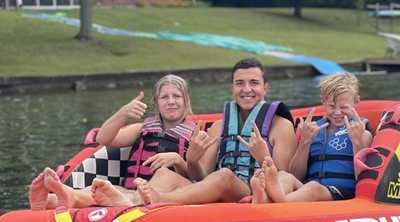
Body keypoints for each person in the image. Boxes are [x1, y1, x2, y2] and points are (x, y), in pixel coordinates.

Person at [99, 57, 298, 207]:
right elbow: (200, 177)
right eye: (240, 83)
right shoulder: (219, 127)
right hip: (220, 188)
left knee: (224, 175)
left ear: (265, 88)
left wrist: (263, 156)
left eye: (254, 83)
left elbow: (285, 179)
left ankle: (155, 199)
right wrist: (191, 160)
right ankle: (132, 199)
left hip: (255, 190)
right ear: (232, 88)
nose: (247, 89)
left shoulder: (281, 126)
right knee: (164, 174)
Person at [28, 74, 195, 210]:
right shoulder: (142, 129)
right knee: (102, 190)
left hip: (170, 190)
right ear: (156, 104)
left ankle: (130, 199)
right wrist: (122, 113)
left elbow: (200, 176)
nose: (171, 101)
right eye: (164, 97)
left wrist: (177, 159)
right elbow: (103, 138)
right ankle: (52, 200)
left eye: (177, 96)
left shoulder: (196, 134)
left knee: (162, 175)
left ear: (186, 101)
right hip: (131, 190)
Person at [250, 72, 373, 204]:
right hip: (309, 189)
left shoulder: (363, 134)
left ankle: (279, 201)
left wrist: (357, 142)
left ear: (356, 102)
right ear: (323, 102)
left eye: (344, 107)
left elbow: (361, 178)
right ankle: (264, 199)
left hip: (343, 193)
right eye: (332, 106)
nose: (337, 112)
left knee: (313, 187)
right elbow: (296, 175)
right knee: (285, 176)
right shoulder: (313, 130)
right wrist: (305, 141)